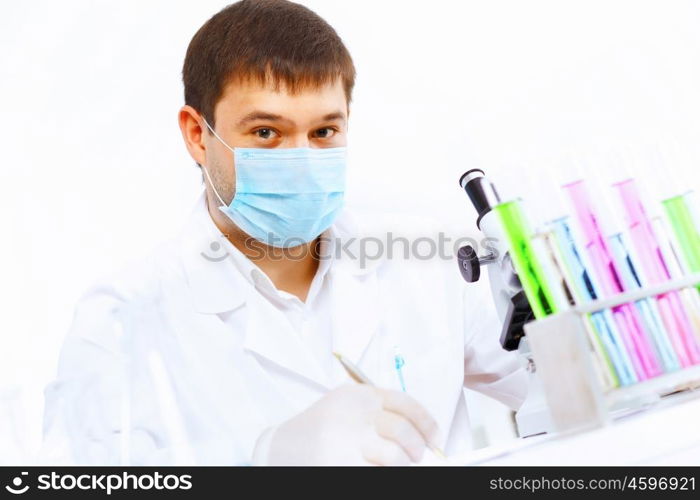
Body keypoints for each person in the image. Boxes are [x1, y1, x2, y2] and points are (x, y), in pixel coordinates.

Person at [42, 0, 527, 465]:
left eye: (323, 132)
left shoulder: (430, 263)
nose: (302, 162)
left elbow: (572, 381)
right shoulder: (120, 320)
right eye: (266, 133)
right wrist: (260, 462)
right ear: (197, 134)